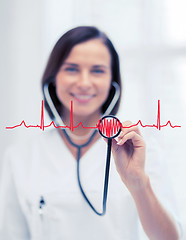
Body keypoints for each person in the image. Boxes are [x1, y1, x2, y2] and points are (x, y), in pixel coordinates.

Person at [0, 26, 182, 240]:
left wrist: (138, 183)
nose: (84, 83)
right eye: (71, 69)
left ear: (112, 82)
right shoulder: (21, 157)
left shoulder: (139, 150)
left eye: (97, 71)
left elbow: (170, 238)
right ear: (53, 78)